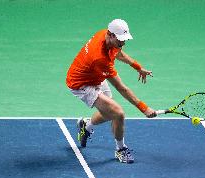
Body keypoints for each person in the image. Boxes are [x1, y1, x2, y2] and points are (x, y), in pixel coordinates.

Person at [66, 19, 156, 164]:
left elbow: (119, 53)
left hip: (94, 75)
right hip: (81, 83)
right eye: (120, 40)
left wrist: (138, 67)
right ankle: (121, 149)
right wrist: (144, 108)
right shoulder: (100, 58)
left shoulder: (105, 36)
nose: (123, 43)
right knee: (118, 113)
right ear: (111, 35)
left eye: (124, 39)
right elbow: (121, 88)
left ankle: (86, 125)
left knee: (109, 112)